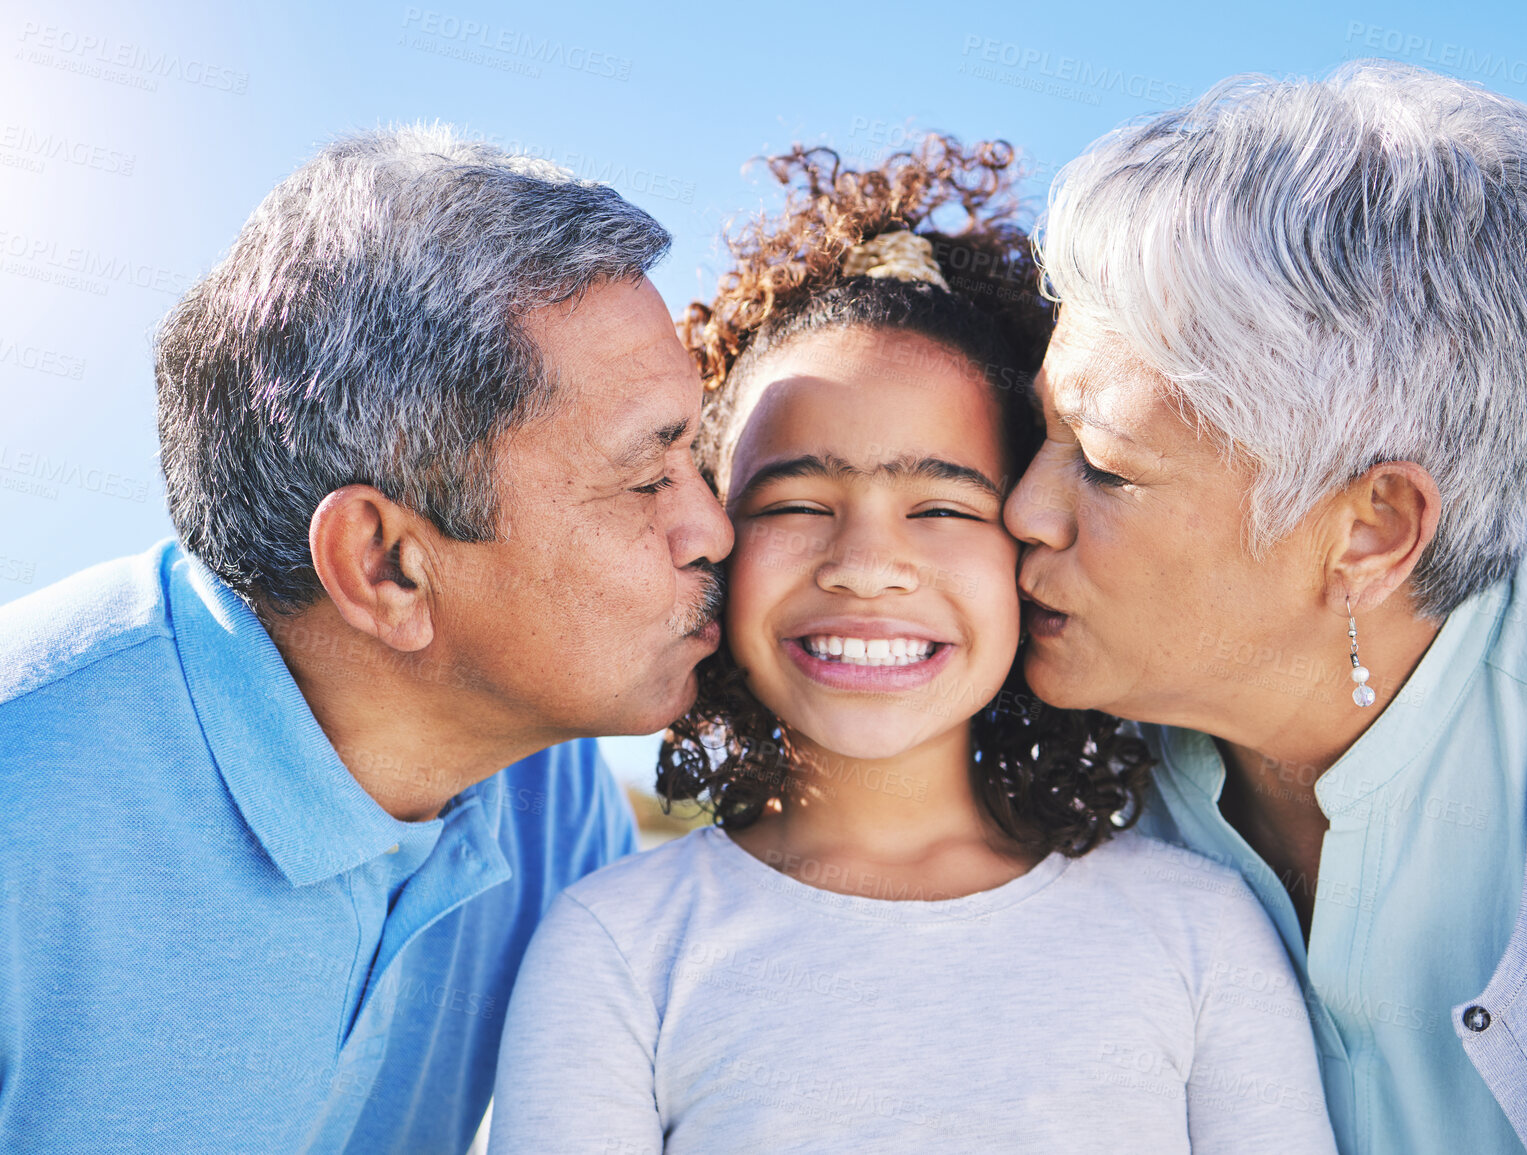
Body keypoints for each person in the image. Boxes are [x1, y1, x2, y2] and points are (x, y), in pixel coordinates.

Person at [490, 138, 1337, 1154]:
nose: (865, 564)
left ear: (1028, 533)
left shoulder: (1199, 931)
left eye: (940, 506)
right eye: (799, 501)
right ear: (716, 538)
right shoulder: (618, 948)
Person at [1006, 60, 1527, 1155]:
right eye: (1039, 438)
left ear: (1372, 530)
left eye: (1104, 468)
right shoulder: (1040, 774)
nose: (1023, 508)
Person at [0, 125, 732, 1153]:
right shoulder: (22, 797)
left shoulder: (549, 800)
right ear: (387, 566)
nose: (713, 530)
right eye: (650, 476)